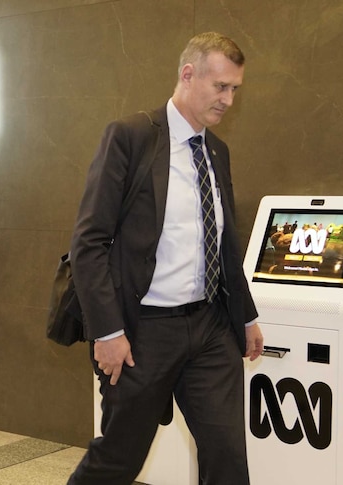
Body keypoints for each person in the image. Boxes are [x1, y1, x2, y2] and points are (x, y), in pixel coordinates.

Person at [68, 32, 263, 484]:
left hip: (211, 328)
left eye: (235, 89)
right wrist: (108, 331)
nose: (229, 100)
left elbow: (223, 243)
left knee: (229, 459)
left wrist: (245, 316)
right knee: (118, 459)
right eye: (221, 87)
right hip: (143, 332)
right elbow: (89, 242)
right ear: (187, 74)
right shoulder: (131, 138)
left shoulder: (217, 151)